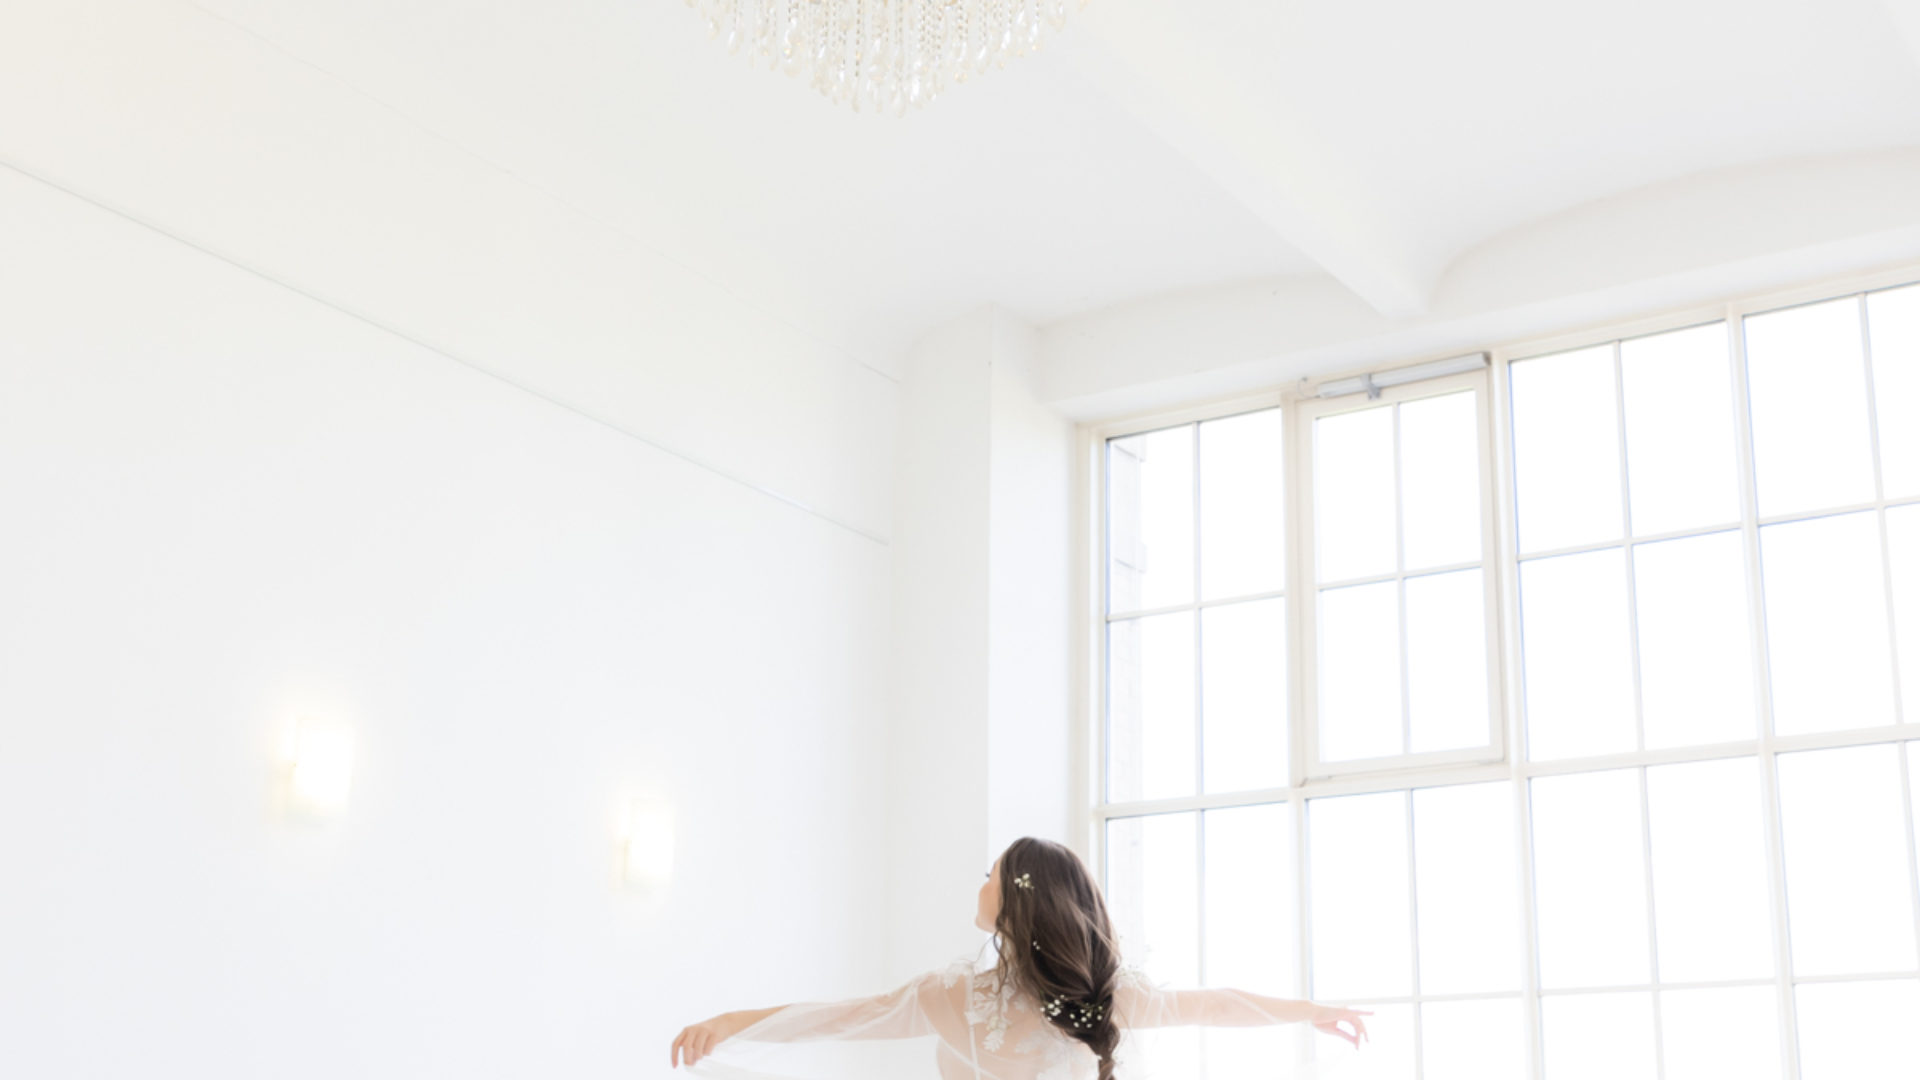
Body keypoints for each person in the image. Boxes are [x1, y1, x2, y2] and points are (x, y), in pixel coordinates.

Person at [670, 836, 1372, 1080]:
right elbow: (1213, 1004)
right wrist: (1310, 1010)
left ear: (1013, 903)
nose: (979, 883)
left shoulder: (951, 998)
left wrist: (737, 1020)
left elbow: (846, 1019)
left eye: (990, 874)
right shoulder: (1102, 998)